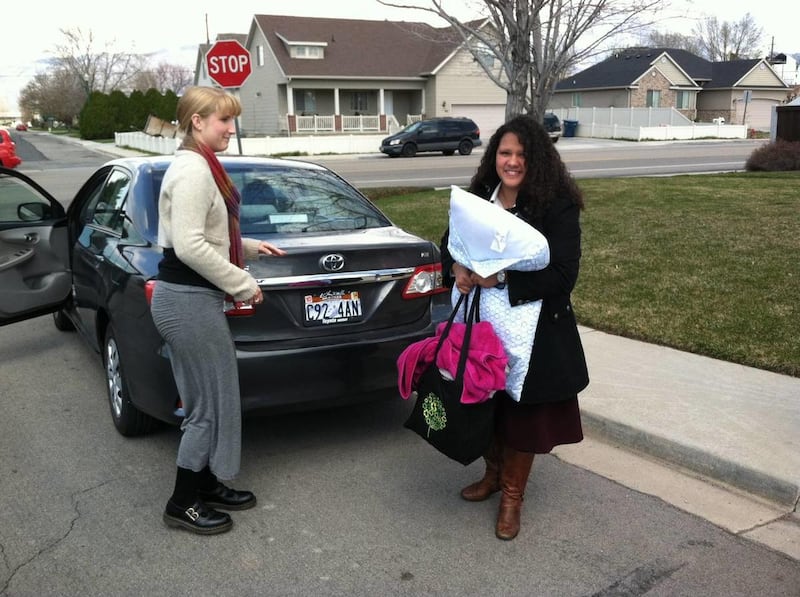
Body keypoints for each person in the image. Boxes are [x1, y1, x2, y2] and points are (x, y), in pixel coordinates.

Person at [440, 114, 589, 540]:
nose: (512, 161)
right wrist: (457, 269)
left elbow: (563, 276)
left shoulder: (557, 206)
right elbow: (450, 244)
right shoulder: (478, 200)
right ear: (494, 156)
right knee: (485, 406)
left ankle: (511, 496)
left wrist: (502, 277)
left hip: (533, 334)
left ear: (537, 158)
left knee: (521, 417)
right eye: (505, 152)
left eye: (522, 154)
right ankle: (491, 474)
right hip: (480, 328)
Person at [150, 86, 286, 535]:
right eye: (224, 120)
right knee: (207, 405)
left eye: (232, 120)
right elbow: (189, 246)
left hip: (190, 299)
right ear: (197, 122)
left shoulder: (198, 163)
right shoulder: (193, 170)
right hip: (187, 301)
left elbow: (199, 234)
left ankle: (205, 483)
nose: (231, 128)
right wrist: (243, 283)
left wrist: (249, 246)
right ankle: (182, 502)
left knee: (213, 398)